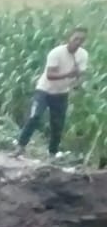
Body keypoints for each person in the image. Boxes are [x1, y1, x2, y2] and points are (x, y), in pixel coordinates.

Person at [16, 28, 88, 158]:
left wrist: (78, 84)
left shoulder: (82, 55)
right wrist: (69, 74)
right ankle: (21, 146)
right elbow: (50, 75)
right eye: (76, 38)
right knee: (35, 116)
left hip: (62, 92)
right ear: (69, 38)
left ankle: (52, 153)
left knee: (58, 124)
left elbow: (81, 74)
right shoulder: (56, 53)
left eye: (81, 40)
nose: (78, 42)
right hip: (44, 90)